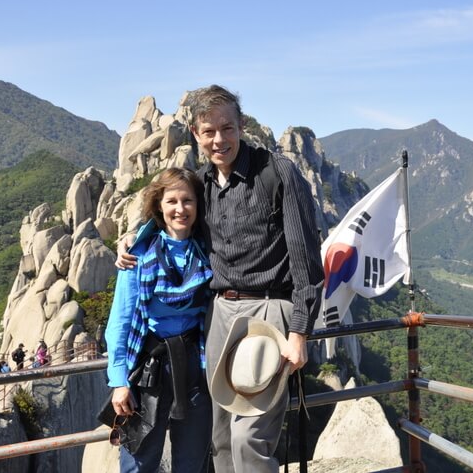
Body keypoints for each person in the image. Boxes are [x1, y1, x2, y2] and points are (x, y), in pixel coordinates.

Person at [117, 85, 323, 473]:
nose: (219, 140)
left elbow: (305, 258)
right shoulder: (202, 184)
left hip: (268, 310)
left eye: (227, 128)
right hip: (220, 314)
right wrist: (131, 240)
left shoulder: (276, 172)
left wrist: (299, 332)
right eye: (209, 131)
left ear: (241, 125)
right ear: (195, 134)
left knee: (251, 439)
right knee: (221, 437)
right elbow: (172, 220)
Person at [106, 168, 213, 472]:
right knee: (139, 461)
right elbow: (121, 321)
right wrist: (119, 381)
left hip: (195, 363)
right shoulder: (137, 255)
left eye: (188, 201)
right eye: (172, 201)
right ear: (159, 206)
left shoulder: (208, 250)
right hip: (149, 368)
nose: (180, 209)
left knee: (192, 461)